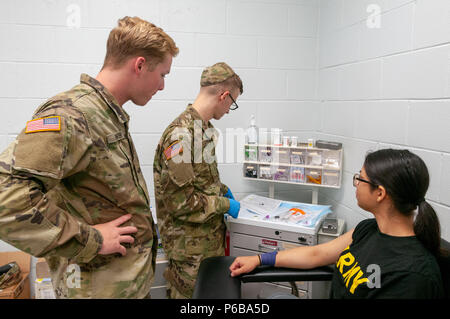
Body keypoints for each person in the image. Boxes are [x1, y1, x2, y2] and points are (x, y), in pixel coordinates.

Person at [0, 16, 178, 298]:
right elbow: (5, 199)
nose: (162, 86)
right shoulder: (72, 115)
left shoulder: (106, 115)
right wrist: (90, 240)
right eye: (163, 75)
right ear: (140, 65)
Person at [230, 149, 445, 298]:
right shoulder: (369, 229)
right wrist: (260, 259)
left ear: (380, 193)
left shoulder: (412, 276)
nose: (356, 184)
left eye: (360, 179)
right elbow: (317, 254)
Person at [153, 62, 243, 298]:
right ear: (224, 96)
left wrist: (222, 190)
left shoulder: (203, 130)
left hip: (206, 246)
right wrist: (225, 204)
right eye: (232, 103)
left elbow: (201, 181)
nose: (228, 110)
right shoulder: (181, 136)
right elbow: (181, 203)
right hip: (189, 255)